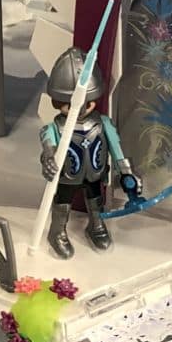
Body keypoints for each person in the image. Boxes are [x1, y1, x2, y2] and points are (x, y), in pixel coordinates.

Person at [39, 50, 141, 259]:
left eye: (87, 103)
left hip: (94, 173)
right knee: (63, 202)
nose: (81, 108)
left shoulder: (102, 123)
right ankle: (57, 231)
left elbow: (116, 149)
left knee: (96, 200)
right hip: (68, 176)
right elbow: (48, 149)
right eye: (71, 104)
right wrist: (48, 159)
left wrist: (127, 173)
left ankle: (96, 226)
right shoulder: (55, 128)